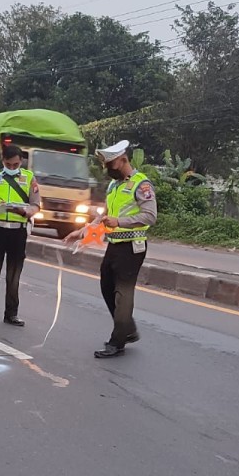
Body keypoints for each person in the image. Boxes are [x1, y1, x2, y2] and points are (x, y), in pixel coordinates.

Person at [65, 140, 157, 358]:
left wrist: (120, 221)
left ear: (123, 159)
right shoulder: (114, 186)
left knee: (122, 294)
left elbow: (150, 216)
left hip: (133, 246)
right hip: (114, 244)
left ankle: (117, 342)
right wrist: (83, 231)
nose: (108, 170)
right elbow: (103, 214)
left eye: (111, 165)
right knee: (106, 285)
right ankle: (128, 329)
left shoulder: (141, 185)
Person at [0, 144, 39, 329]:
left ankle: (11, 314)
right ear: (2, 161)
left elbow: (36, 205)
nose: (12, 168)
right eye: (8, 164)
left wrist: (25, 211)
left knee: (14, 275)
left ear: (21, 162)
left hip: (18, 231)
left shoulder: (29, 178)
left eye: (15, 164)